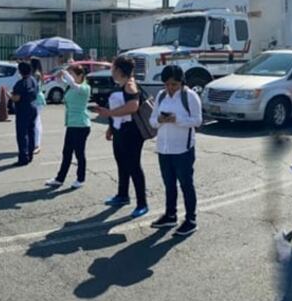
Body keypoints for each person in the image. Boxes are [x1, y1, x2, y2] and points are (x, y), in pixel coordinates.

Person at [148, 65, 202, 235]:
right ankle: (170, 215)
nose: (171, 88)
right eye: (168, 84)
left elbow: (197, 121)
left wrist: (176, 119)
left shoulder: (190, 96)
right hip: (164, 148)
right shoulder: (161, 95)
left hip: (183, 149)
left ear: (181, 82)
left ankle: (191, 219)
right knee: (169, 184)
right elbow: (152, 120)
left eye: (174, 84)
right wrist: (160, 119)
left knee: (186, 184)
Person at [95, 56, 148, 218]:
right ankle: (122, 195)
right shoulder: (121, 85)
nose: (111, 71)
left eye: (112, 68)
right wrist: (111, 127)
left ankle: (142, 203)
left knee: (133, 166)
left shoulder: (130, 85)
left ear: (119, 70)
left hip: (131, 133)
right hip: (120, 131)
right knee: (122, 164)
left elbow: (133, 106)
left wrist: (108, 113)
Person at [44, 63, 91, 189]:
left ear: (81, 75)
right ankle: (60, 179)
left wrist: (66, 74)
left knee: (79, 153)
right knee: (67, 152)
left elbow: (73, 84)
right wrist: (60, 73)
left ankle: (80, 179)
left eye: (74, 74)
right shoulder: (70, 87)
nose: (71, 77)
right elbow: (60, 81)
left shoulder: (85, 88)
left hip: (81, 124)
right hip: (72, 124)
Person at [9, 62, 38, 165]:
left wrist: (9, 96)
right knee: (31, 131)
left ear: (20, 71)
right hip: (33, 107)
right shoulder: (33, 80)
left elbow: (16, 98)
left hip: (23, 109)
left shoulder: (20, 83)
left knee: (22, 134)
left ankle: (23, 157)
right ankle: (30, 154)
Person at [31, 58, 46, 153]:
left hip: (37, 100)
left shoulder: (36, 74)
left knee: (36, 123)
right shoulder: (37, 73)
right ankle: (36, 143)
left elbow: (34, 87)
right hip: (37, 99)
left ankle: (37, 144)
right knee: (37, 122)